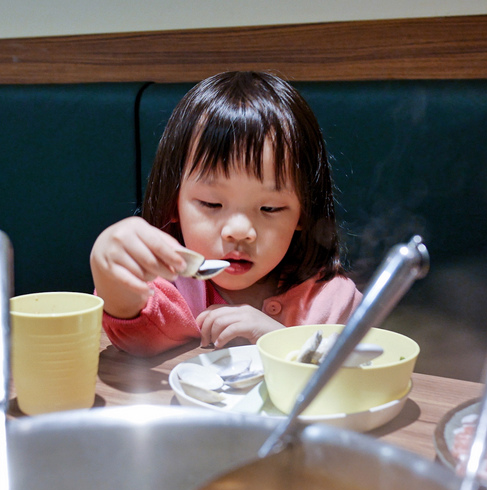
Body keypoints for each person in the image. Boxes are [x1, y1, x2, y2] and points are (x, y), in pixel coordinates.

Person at [90, 71, 361, 356]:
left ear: (303, 215)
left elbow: (362, 371)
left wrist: (277, 340)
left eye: (269, 208)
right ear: (173, 203)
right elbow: (136, 338)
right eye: (211, 204)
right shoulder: (170, 285)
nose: (239, 230)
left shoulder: (330, 300)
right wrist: (110, 272)